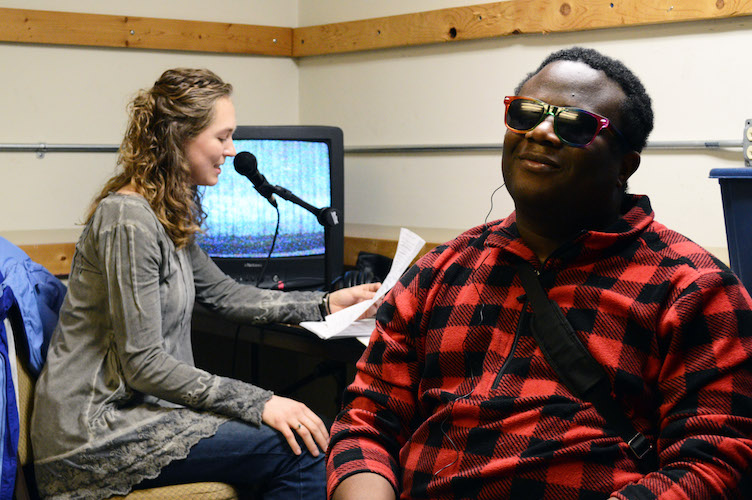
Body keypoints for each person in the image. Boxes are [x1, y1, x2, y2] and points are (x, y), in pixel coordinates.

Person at [326, 47, 752, 500]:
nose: (543, 132)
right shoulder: (439, 271)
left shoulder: (694, 291)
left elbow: (706, 463)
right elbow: (365, 424)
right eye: (527, 114)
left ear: (626, 165)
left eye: (576, 125)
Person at [30, 68, 380, 500]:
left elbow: (224, 294)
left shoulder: (165, 213)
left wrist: (327, 304)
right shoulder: (129, 219)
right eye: (222, 137)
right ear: (179, 136)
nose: (231, 151)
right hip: (93, 433)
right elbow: (144, 363)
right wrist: (261, 401)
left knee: (300, 436)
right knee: (302, 445)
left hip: (137, 416)